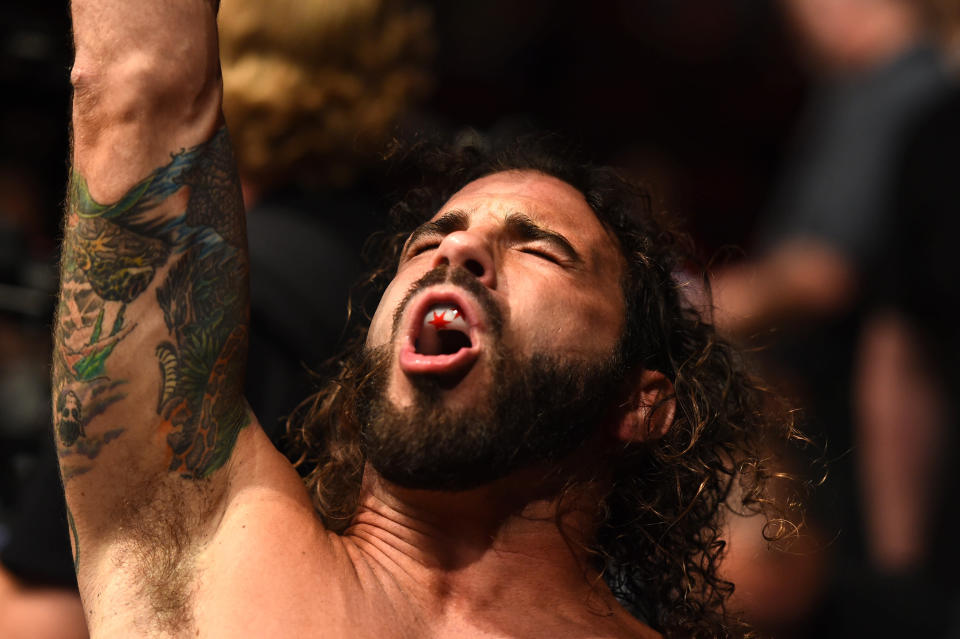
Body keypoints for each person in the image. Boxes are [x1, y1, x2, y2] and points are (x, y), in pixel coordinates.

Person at [55, 1, 795, 637]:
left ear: (640, 400)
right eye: (429, 240)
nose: (460, 248)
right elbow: (138, 84)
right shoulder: (200, 544)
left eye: (541, 250)